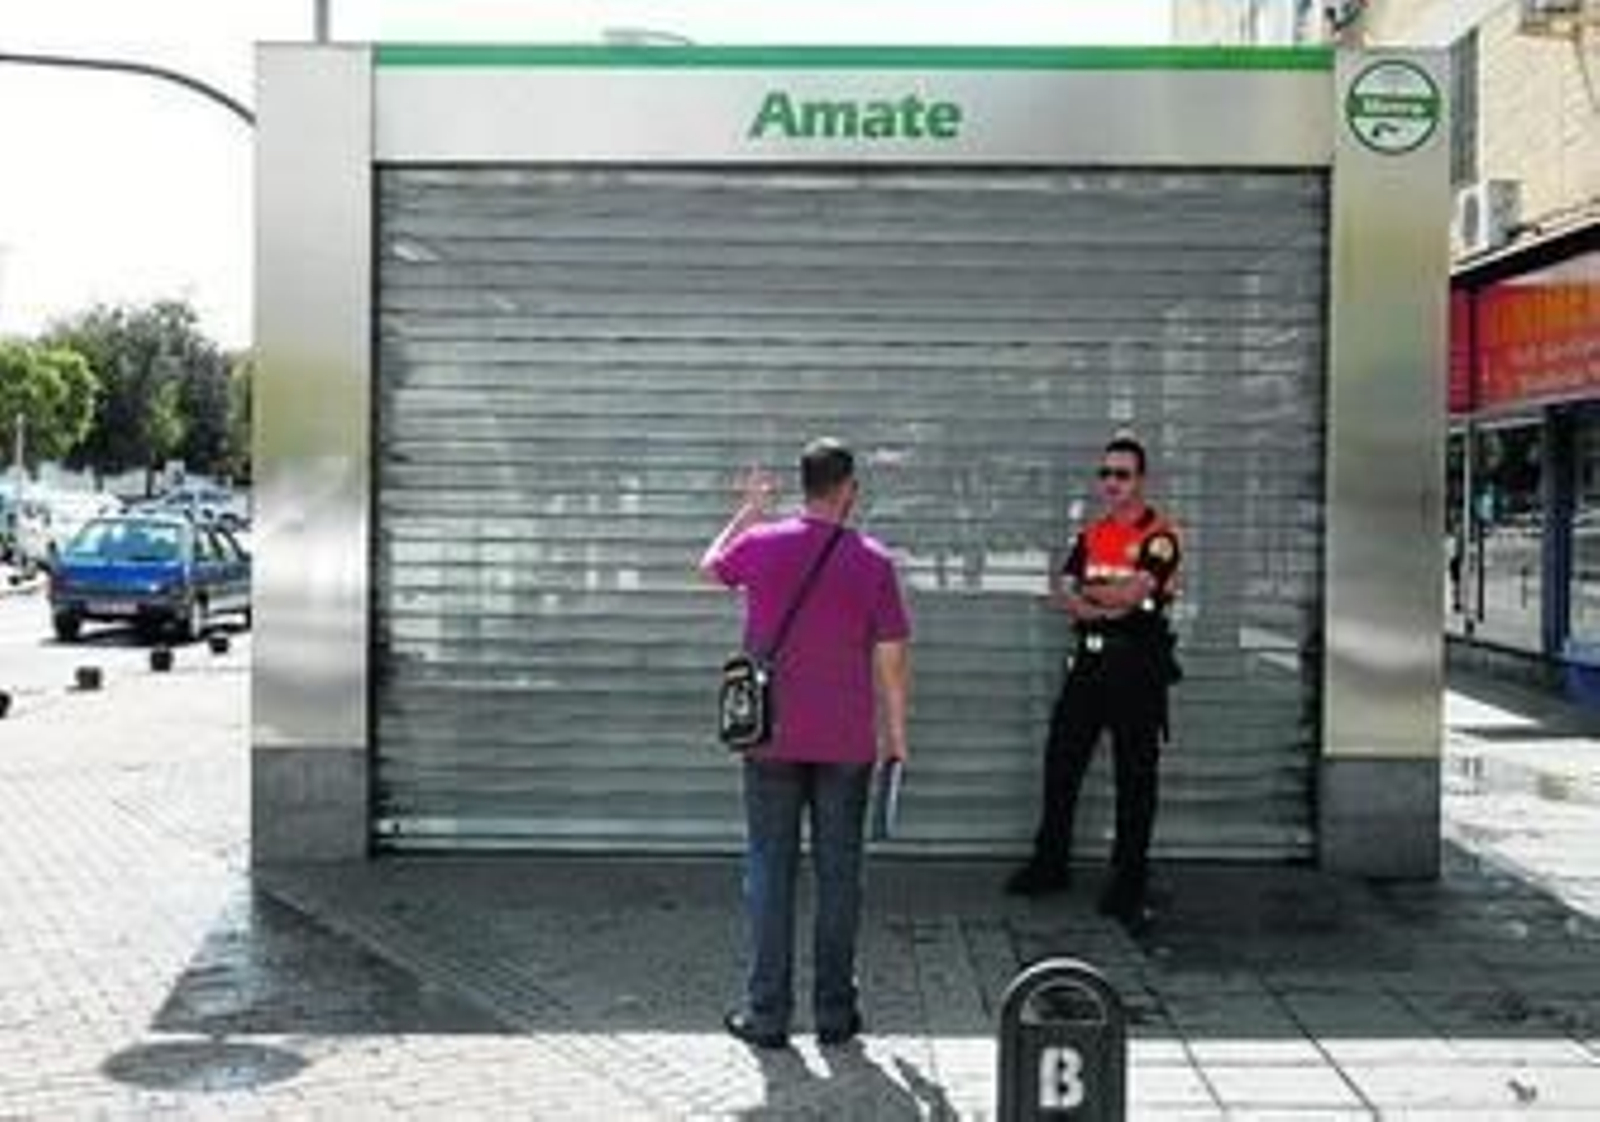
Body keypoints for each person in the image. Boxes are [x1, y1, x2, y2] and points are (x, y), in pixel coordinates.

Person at [699, 438, 912, 1050]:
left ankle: (767, 1015)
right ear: (847, 489)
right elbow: (891, 658)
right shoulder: (873, 561)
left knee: (769, 870)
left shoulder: (762, 546)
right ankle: (835, 1015)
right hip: (846, 743)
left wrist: (747, 513)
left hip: (770, 740)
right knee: (840, 876)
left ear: (803, 485)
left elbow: (709, 565)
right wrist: (896, 736)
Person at [1004, 434, 1182, 930]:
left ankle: (1129, 878)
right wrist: (1102, 600)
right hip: (1088, 664)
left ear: (1141, 480)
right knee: (1062, 761)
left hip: (1137, 668)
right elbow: (1062, 591)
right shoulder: (1093, 533)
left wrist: (1093, 598)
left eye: (1122, 475)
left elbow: (1137, 592)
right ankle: (1050, 864)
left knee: (1134, 775)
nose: (1111, 484)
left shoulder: (1160, 535)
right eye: (1105, 474)